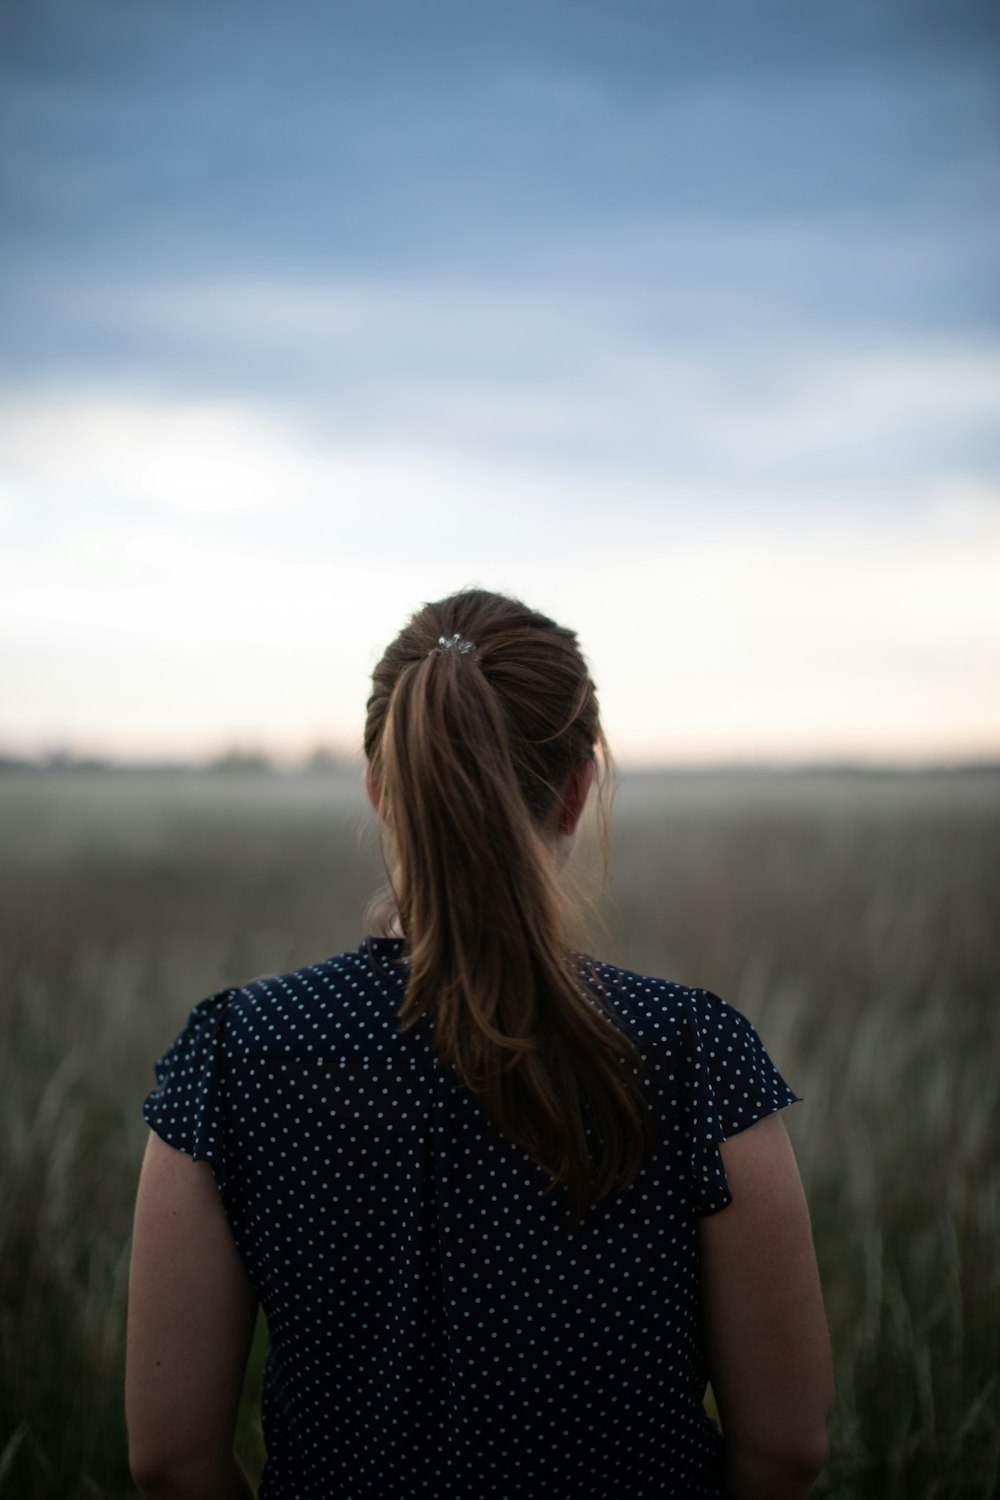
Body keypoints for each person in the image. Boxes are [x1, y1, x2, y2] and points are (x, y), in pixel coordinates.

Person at [126, 588, 833, 1499]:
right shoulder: (695, 1055)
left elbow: (169, 1457)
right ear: (577, 791)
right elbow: (787, 1447)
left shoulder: (236, 1056)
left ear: (382, 793)